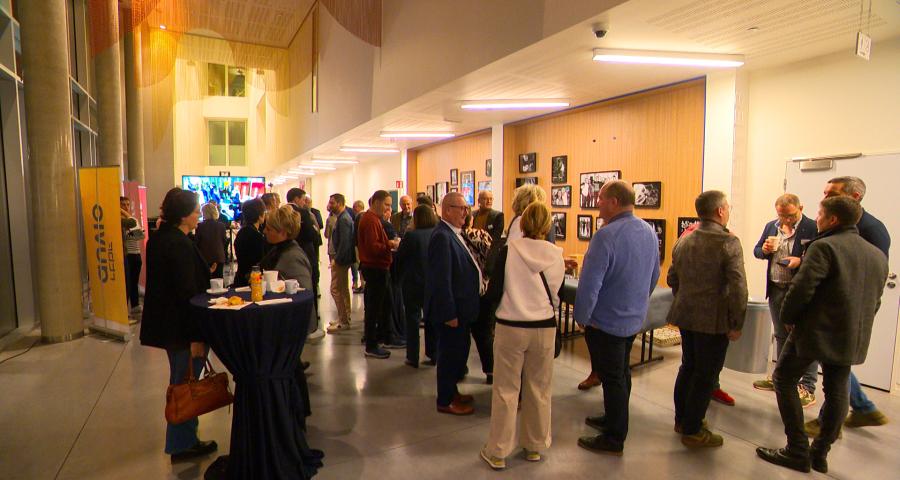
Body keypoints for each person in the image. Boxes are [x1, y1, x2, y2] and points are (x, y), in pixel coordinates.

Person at [756, 196, 888, 474]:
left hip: (814, 332)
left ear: (833, 219)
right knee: (837, 389)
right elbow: (875, 302)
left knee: (783, 378)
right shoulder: (876, 254)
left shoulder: (824, 247)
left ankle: (797, 450)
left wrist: (788, 317)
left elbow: (802, 289)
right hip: (851, 334)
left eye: (820, 213)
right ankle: (820, 454)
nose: (816, 218)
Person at [574, 181, 660, 456]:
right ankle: (614, 420)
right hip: (632, 318)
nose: (596, 203)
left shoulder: (606, 235)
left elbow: (590, 283)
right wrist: (638, 302)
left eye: (599, 198)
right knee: (621, 373)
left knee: (613, 379)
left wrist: (582, 317)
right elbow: (654, 274)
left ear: (613, 201)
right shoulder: (647, 230)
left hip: (605, 322)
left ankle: (614, 437)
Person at [805, 176, 891, 436]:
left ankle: (829, 423)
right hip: (831, 309)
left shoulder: (873, 229)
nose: (824, 198)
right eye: (824, 192)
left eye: (832, 194)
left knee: (835, 367)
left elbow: (874, 273)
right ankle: (862, 407)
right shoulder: (834, 223)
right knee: (834, 365)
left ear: (854, 197)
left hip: (847, 311)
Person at [480, 202, 564, 470]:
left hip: (511, 326)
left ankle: (498, 451)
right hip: (544, 327)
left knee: (506, 390)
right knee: (539, 389)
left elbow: (494, 292)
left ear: (523, 224)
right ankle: (534, 446)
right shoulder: (556, 255)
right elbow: (556, 294)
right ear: (548, 226)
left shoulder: (509, 251)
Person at [139, 188, 218, 462]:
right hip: (183, 330)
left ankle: (184, 439)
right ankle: (182, 443)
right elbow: (186, 295)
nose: (199, 215)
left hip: (169, 327)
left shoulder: (161, 239)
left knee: (181, 382)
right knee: (185, 386)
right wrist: (196, 336)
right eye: (196, 211)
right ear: (184, 215)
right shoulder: (179, 244)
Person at [668, 190, 747, 448]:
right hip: (713, 321)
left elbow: (672, 278)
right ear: (720, 211)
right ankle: (692, 430)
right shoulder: (728, 242)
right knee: (706, 374)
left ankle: (682, 420)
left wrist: (684, 297)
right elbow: (738, 287)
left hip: (685, 314)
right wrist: (737, 322)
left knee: (688, 366)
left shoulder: (684, 239)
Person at [751, 194, 819, 407]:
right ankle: (781, 377)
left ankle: (807, 386)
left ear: (800, 208)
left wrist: (800, 261)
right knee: (780, 335)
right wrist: (764, 250)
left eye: (790, 215)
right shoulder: (772, 226)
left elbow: (819, 259)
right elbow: (756, 251)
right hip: (777, 288)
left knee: (804, 338)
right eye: (781, 215)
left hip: (799, 291)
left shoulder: (812, 227)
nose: (785, 220)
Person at [426, 192, 481, 415]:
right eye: (461, 208)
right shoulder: (442, 236)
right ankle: (445, 399)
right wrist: (449, 313)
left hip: (463, 309)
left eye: (466, 208)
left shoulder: (453, 233)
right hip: (453, 311)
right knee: (449, 356)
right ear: (447, 210)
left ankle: (452, 391)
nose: (465, 213)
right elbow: (441, 279)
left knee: (458, 353)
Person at [357, 190, 400, 358]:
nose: (389, 208)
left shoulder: (373, 220)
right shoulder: (370, 221)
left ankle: (380, 338)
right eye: (387, 204)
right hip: (375, 268)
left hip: (377, 267)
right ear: (376, 202)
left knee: (381, 305)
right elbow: (373, 247)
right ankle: (371, 345)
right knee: (374, 308)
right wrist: (390, 244)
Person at [395, 204, 438, 366]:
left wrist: (398, 278)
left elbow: (400, 258)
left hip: (413, 283)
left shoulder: (411, 236)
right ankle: (433, 353)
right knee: (431, 320)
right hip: (432, 283)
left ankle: (412, 356)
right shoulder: (437, 233)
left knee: (412, 320)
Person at [259, 205, 315, 322]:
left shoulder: (293, 257)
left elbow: (304, 294)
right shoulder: (278, 250)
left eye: (269, 229)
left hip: (292, 322)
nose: (264, 231)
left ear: (283, 233)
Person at [462, 213, 495, 383]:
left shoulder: (457, 237)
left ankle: (460, 368)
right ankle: (491, 371)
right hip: (485, 288)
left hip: (465, 290)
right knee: (484, 333)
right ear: (471, 219)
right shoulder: (483, 235)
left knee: (462, 332)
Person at [326, 194, 355, 333]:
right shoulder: (342, 217)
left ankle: (343, 320)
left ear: (339, 203)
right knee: (343, 289)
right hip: (343, 259)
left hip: (341, 260)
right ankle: (344, 317)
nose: (329, 205)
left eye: (332, 202)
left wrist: (336, 260)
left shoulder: (344, 219)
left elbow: (345, 243)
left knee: (335, 289)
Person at [233, 198, 267, 288]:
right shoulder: (256, 235)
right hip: (251, 280)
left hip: (240, 276)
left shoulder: (241, 232)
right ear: (259, 215)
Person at [120, 196, 145, 315]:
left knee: (134, 282)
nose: (126, 207)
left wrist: (130, 234)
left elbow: (140, 236)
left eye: (127, 204)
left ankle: (135, 305)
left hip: (136, 255)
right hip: (126, 255)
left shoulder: (132, 219)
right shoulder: (121, 221)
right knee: (127, 282)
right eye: (123, 204)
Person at [195, 203, 227, 279]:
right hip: (219, 256)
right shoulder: (221, 226)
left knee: (207, 280)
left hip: (205, 257)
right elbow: (224, 241)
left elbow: (197, 242)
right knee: (219, 281)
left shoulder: (200, 226)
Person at [350, 200, 366, 292]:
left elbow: (358, 232)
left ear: (358, 207)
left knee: (360, 265)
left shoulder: (359, 216)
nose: (353, 209)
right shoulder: (364, 216)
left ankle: (363, 285)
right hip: (361, 245)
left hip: (359, 245)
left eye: (354, 207)